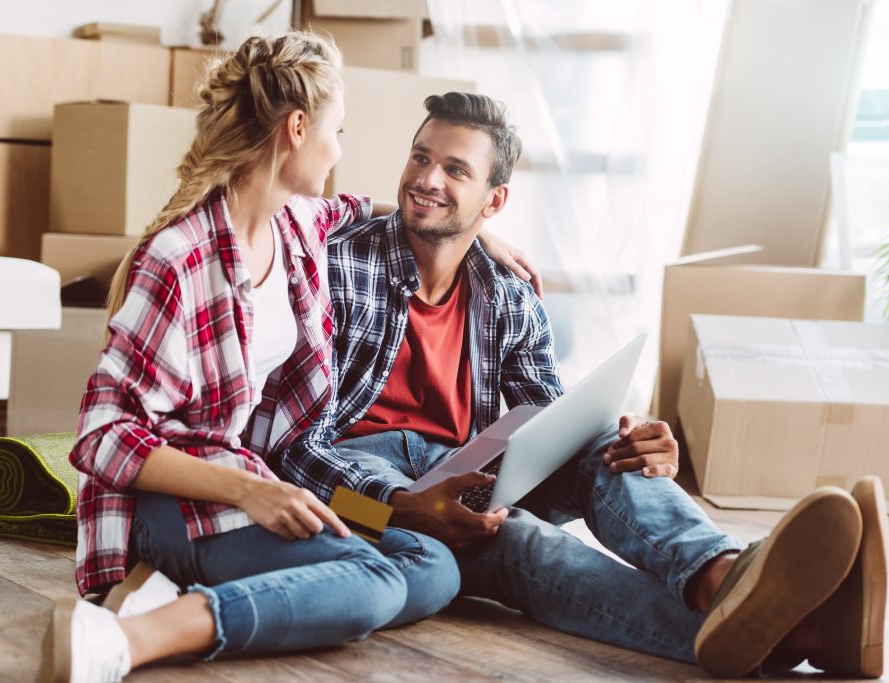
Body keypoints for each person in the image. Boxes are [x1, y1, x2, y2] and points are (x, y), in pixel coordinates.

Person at [280, 92, 889, 678]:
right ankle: (797, 630)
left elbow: (548, 421)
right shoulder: (334, 265)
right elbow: (287, 447)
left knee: (603, 444)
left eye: (454, 169)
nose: (426, 179)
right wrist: (397, 507)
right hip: (354, 492)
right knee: (518, 539)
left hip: (467, 468)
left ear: (494, 202)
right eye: (421, 157)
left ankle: (723, 574)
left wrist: (633, 443)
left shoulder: (506, 294)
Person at [39, 37, 538, 683]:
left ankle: (180, 599)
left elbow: (367, 209)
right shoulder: (181, 256)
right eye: (337, 130)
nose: (340, 149)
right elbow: (101, 438)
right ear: (297, 129)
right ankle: (129, 638)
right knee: (374, 585)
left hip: (253, 477)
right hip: (171, 501)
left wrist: (479, 232)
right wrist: (253, 490)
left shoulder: (295, 223)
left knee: (433, 565)